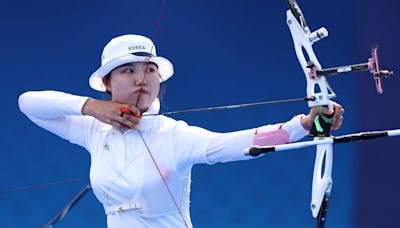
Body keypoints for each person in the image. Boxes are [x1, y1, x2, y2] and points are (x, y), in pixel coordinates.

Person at [18, 34, 344, 227]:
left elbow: (233, 146)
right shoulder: (93, 129)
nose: (141, 79)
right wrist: (93, 107)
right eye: (128, 71)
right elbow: (29, 103)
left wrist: (302, 125)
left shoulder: (174, 135)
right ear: (107, 82)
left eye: (149, 70)